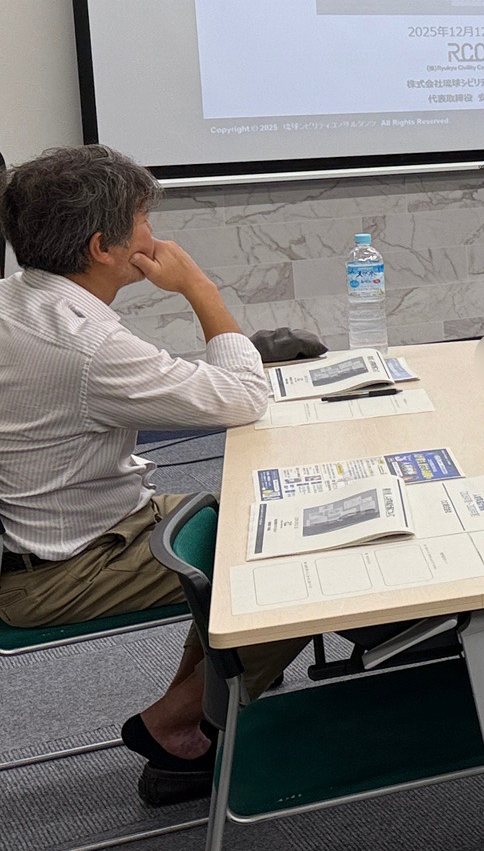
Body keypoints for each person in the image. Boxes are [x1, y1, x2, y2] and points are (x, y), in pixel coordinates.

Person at [0, 147, 303, 807]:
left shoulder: (16, 301)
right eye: (143, 220)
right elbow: (242, 398)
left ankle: (201, 712)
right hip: (64, 568)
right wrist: (201, 289)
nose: (154, 235)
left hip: (71, 532)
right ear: (101, 246)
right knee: (293, 568)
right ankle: (175, 721)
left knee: (248, 514)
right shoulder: (85, 345)